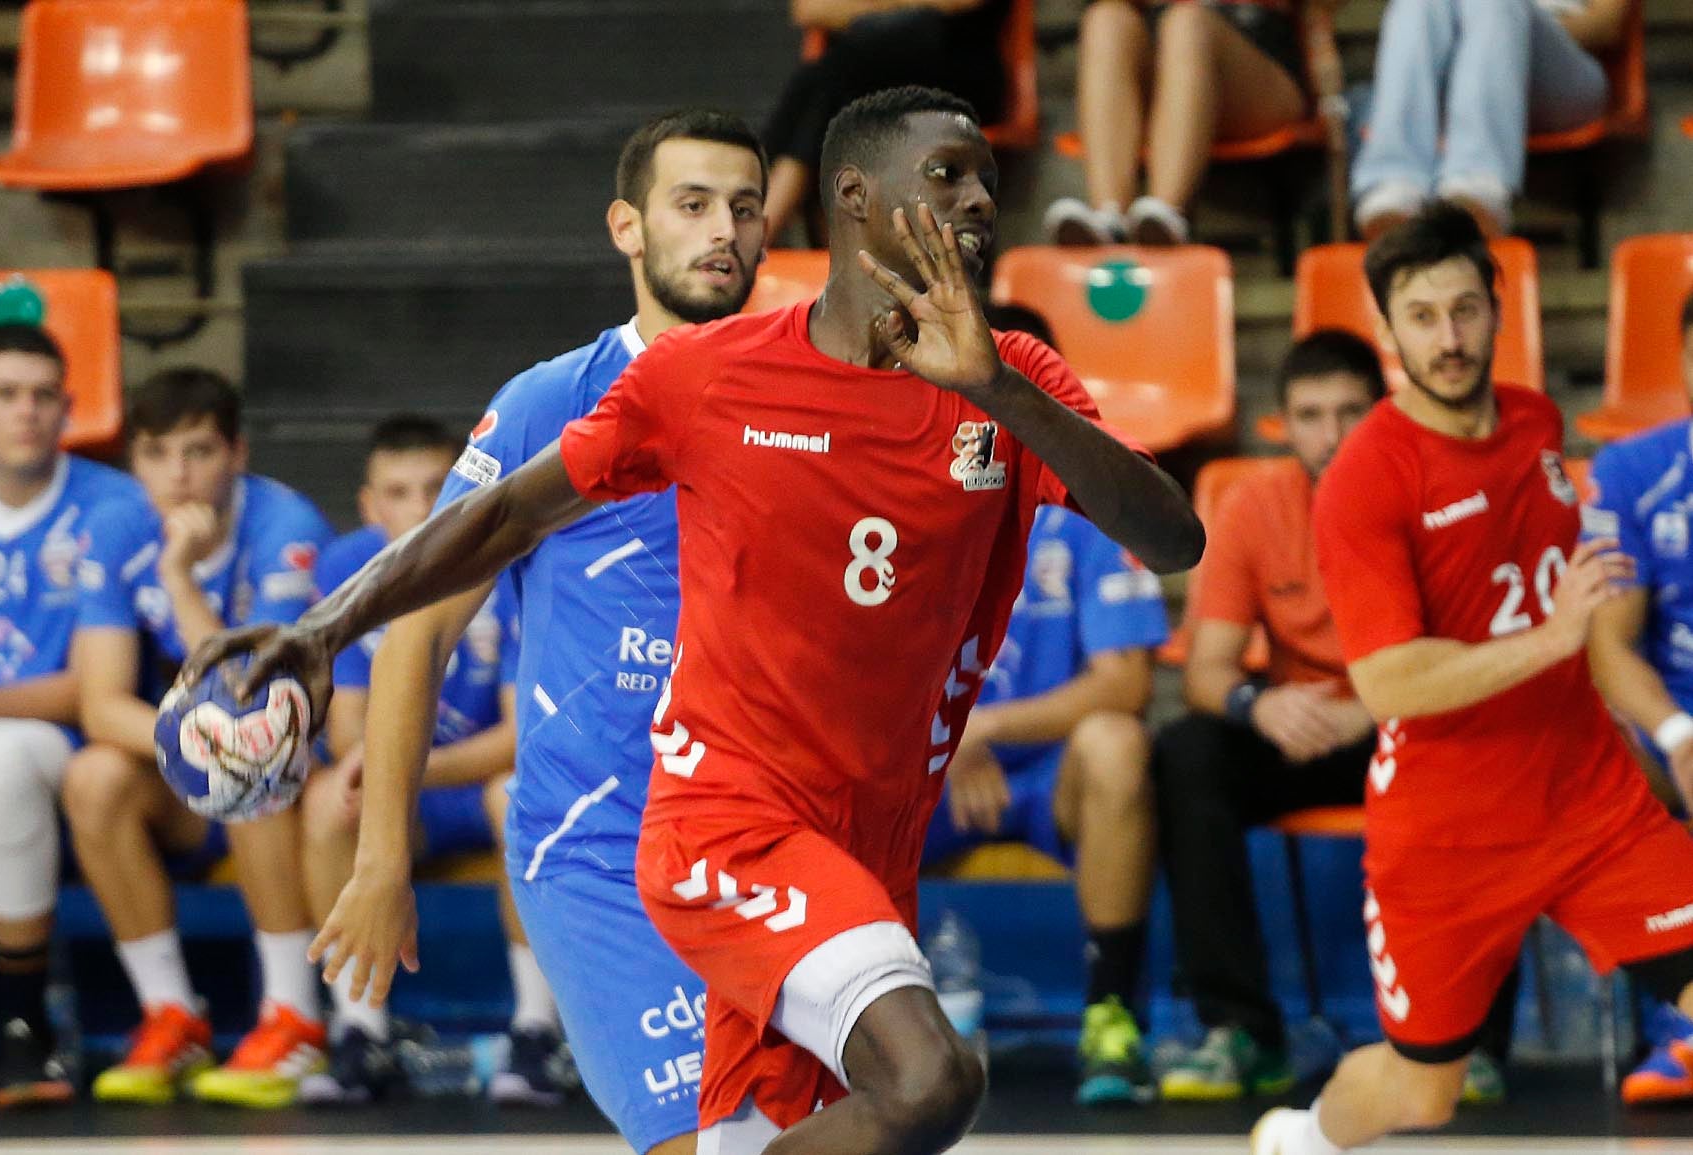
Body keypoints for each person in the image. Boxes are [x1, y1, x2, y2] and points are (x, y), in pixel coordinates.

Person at [186, 85, 1202, 1155]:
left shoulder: (1003, 381)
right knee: (929, 1082)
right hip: (669, 834)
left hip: (857, 835)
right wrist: (324, 639)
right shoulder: (667, 382)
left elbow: (1172, 536)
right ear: (852, 198)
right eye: (948, 175)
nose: (981, 199)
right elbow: (474, 553)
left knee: (785, 1137)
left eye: (743, 204)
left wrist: (996, 390)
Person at [296, 109, 765, 1151]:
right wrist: (381, 867)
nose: (721, 229)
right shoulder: (546, 404)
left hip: (767, 847)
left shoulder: (804, 397)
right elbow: (416, 632)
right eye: (691, 205)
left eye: (743, 207)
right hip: (599, 850)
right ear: (627, 228)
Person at [1252, 201, 1693, 1155]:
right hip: (1447, 835)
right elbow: (1389, 684)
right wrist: (1554, 636)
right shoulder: (1366, 478)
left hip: (1589, 800)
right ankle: (1301, 1136)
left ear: (1498, 307)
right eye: (1421, 316)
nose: (1447, 339)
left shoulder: (1537, 422)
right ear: (1387, 329)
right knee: (1426, 1094)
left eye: (1464, 309)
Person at [1155, 330, 1520, 1105]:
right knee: (1188, 751)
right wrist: (1261, 704)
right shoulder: (1256, 506)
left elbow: (1477, 663)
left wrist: (1378, 708)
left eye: (1349, 412)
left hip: (1413, 724)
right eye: (1310, 415)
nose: (1330, 435)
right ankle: (1242, 1030)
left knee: (1482, 753)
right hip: (1301, 729)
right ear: (1283, 424)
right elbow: (1207, 673)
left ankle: (1467, 1037)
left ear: (1383, 415)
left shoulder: (1444, 501)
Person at [66, 369, 334, 1107]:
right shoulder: (118, 526)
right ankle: (171, 1014)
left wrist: (180, 580)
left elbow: (252, 700)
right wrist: (197, 739)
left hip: (302, 768)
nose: (177, 474)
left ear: (237, 453)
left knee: (253, 759)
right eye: (156, 453)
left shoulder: (288, 528)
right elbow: (100, 703)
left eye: (199, 451)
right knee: (93, 775)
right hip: (191, 773)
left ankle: (295, 1019)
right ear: (134, 461)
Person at [297, 416, 566, 1106]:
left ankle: (538, 1032)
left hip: (483, 779)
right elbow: (348, 729)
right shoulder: (346, 564)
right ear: (369, 505)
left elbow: (519, 733)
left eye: (437, 487)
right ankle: (360, 1033)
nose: (422, 507)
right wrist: (374, 769)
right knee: (329, 798)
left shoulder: (511, 559)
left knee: (516, 791)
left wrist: (400, 765)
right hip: (416, 792)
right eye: (400, 491)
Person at [921, 504, 1168, 1105]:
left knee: (1117, 744)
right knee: (823, 766)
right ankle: (847, 1026)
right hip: (925, 766)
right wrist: (943, 733)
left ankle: (1111, 1016)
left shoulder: (1096, 508)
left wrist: (982, 727)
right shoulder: (896, 501)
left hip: (1050, 776)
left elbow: (1126, 684)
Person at [0, 323, 141, 1107]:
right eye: (6, 394)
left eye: (43, 396)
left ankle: (24, 1028)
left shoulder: (117, 505)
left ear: (70, 406)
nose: (26, 412)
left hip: (78, 746)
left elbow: (107, 690)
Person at [1584, 293, 1693, 1105]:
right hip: (1668, 726)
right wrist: (1680, 733)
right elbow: (1608, 644)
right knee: (1591, 751)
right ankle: (1679, 1022)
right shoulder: (1630, 471)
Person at [1044, 0, 1336, 247]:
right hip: (1159, 57)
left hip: (1260, 60)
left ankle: (1165, 216)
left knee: (1188, 23)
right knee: (1105, 19)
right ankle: (1109, 217)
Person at [1351, 0, 1632, 239]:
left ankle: (1475, 181)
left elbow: (1607, 25)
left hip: (1563, 75)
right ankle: (1394, 180)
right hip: (1456, 66)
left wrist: (1509, 28)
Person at [763, 0, 1009, 242]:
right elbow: (810, 9)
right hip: (864, 79)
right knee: (827, 87)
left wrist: (864, 10)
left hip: (956, 76)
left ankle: (761, 227)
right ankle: (771, 231)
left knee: (827, 85)